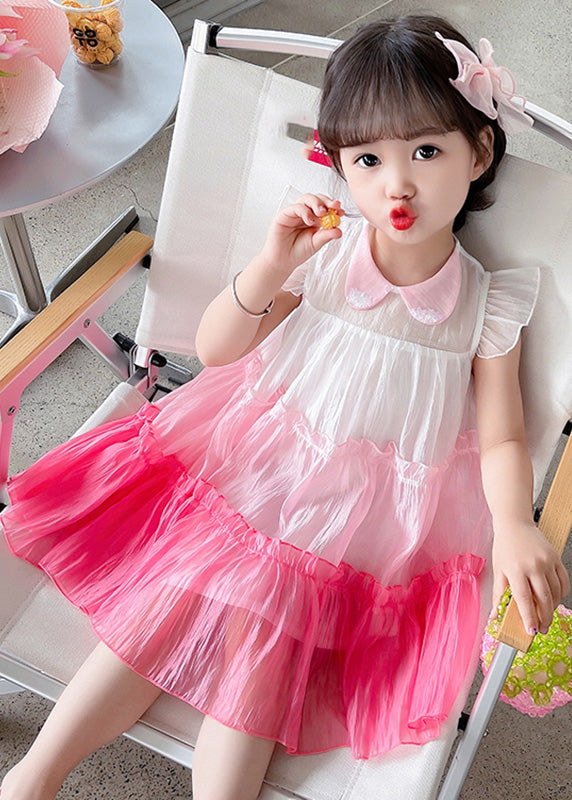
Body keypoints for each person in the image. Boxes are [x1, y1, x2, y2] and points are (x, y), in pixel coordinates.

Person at [1, 14, 569, 800]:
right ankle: (31, 781)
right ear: (340, 165)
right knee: (162, 613)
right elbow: (217, 347)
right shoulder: (324, 252)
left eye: (426, 152)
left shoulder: (487, 304)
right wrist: (270, 266)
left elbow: (503, 436)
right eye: (368, 159)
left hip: (366, 525)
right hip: (254, 471)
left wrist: (513, 524)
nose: (397, 184)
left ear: (478, 152)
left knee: (262, 666)